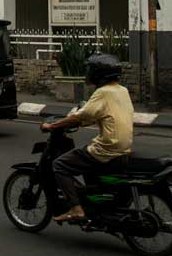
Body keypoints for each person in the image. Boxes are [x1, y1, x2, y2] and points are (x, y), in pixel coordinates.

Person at [40, 53, 134, 223]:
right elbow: (102, 114)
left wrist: (53, 125)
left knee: (60, 164)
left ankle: (76, 208)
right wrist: (84, 121)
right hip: (123, 148)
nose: (88, 73)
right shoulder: (122, 90)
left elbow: (81, 114)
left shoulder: (103, 92)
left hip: (107, 150)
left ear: (98, 73)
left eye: (90, 70)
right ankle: (94, 203)